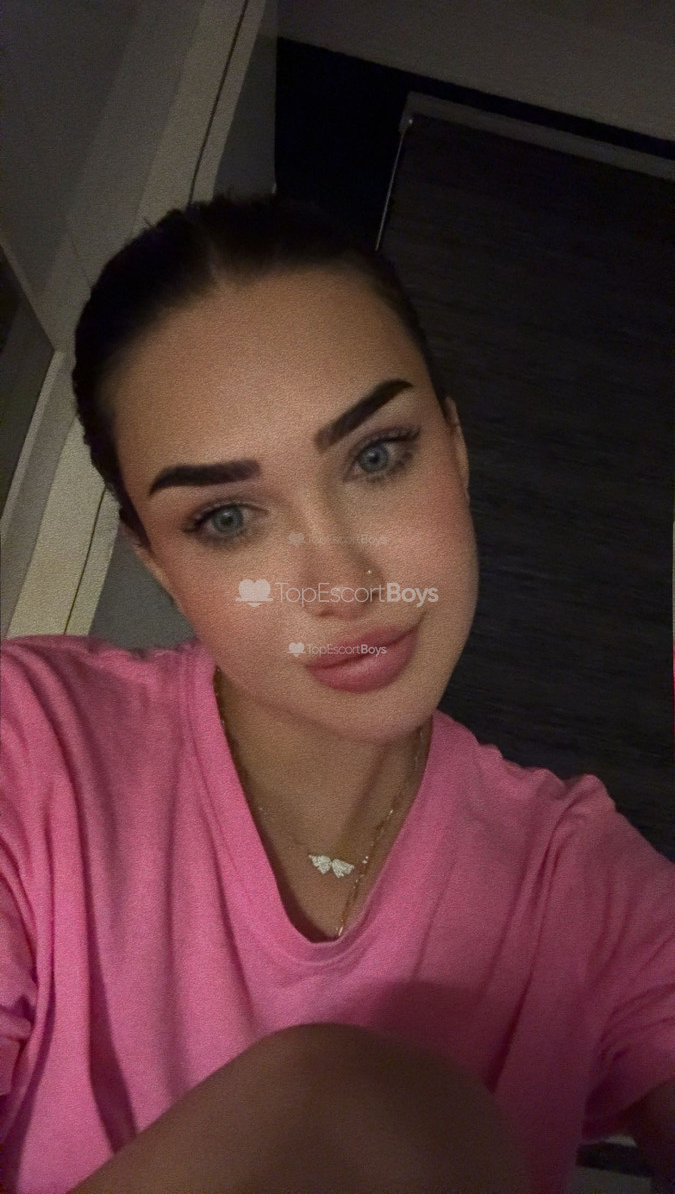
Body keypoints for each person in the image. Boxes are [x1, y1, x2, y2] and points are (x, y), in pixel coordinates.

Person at [0, 193, 673, 1194]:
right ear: (156, 561)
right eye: (228, 518)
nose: (344, 585)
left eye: (377, 457)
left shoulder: (587, 897)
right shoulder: (31, 755)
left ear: (455, 446)